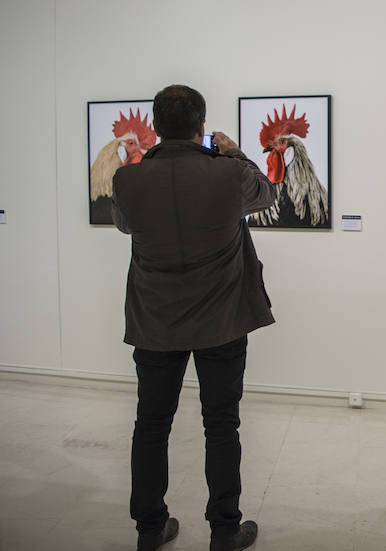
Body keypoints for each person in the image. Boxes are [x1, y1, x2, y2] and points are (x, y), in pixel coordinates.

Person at [112, 84, 276, 551]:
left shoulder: (128, 179)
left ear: (157, 128)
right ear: (202, 127)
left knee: (151, 424)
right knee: (221, 425)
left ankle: (149, 529)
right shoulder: (227, 174)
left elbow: (126, 225)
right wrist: (236, 152)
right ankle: (224, 531)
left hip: (155, 323)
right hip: (221, 321)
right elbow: (265, 194)